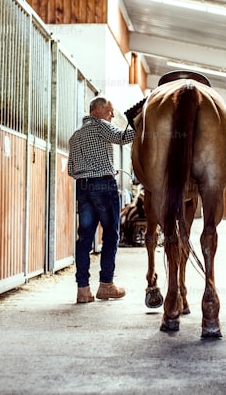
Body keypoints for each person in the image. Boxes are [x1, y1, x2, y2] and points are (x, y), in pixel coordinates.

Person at [68, 96, 135, 304]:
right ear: (97, 110)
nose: (113, 115)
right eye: (110, 110)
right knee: (111, 235)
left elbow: (71, 169)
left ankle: (83, 290)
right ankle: (106, 285)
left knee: (85, 238)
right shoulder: (100, 127)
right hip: (103, 186)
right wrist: (143, 122)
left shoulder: (75, 136)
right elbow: (124, 138)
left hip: (82, 186)